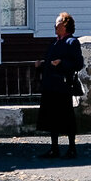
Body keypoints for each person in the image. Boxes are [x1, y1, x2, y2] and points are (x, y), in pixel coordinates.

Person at [36, 11, 84, 159]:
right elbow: (50, 61)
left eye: (57, 23)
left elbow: (78, 63)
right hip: (50, 85)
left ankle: (71, 148)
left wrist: (62, 63)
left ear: (65, 25)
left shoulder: (72, 42)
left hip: (63, 86)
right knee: (51, 118)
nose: (55, 26)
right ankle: (54, 148)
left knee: (67, 117)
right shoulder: (54, 42)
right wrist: (41, 64)